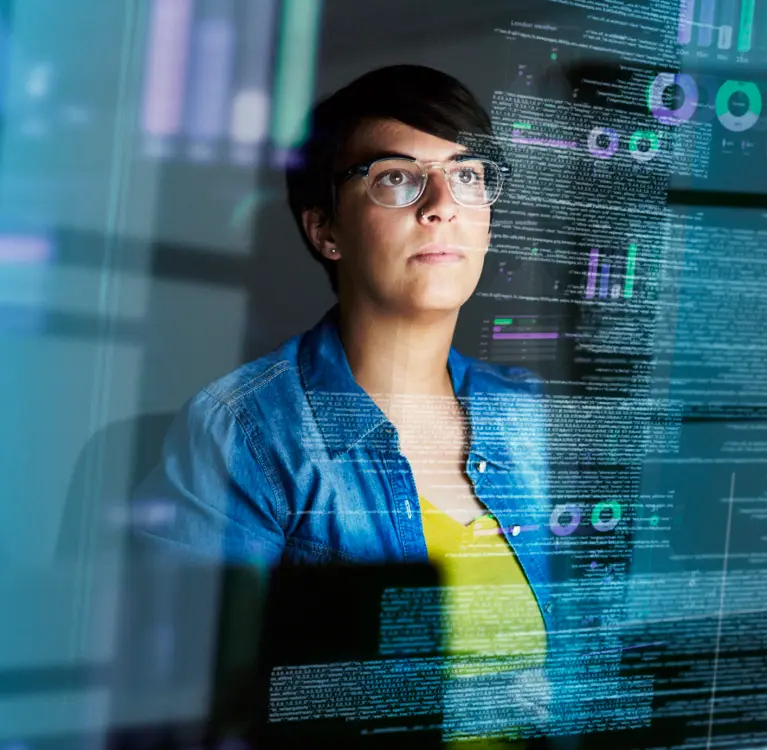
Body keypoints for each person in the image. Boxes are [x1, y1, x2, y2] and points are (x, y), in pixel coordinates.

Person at [132, 64, 553, 744]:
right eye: (396, 176)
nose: (442, 203)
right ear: (325, 229)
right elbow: (181, 704)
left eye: (468, 175)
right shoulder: (248, 430)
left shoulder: (531, 416)